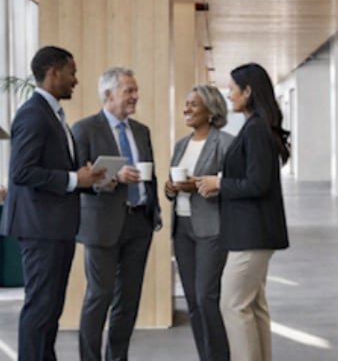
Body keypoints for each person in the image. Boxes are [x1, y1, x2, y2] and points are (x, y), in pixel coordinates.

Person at [0, 46, 106, 361]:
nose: (76, 80)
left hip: (56, 227)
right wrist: (75, 179)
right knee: (40, 309)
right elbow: (22, 172)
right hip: (41, 228)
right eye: (71, 72)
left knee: (50, 311)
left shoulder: (52, 114)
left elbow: (57, 171)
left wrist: (89, 181)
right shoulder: (33, 114)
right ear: (54, 73)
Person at [195, 63, 290, 361]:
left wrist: (219, 183)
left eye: (233, 89)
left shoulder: (257, 129)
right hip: (255, 232)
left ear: (248, 92)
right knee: (253, 306)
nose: (229, 95)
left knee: (233, 305)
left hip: (252, 233)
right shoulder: (257, 126)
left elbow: (258, 183)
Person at [71, 67, 162, 361]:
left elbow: (151, 176)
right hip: (102, 225)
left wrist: (154, 211)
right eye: (129, 91)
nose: (135, 97)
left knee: (129, 301)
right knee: (99, 296)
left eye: (136, 91)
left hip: (139, 223)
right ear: (109, 94)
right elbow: (78, 179)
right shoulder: (84, 129)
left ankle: (117, 358)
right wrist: (112, 175)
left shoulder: (141, 131)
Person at [165, 85, 233, 361]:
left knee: (206, 297)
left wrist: (203, 186)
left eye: (194, 104)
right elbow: (171, 186)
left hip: (211, 227)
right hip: (181, 229)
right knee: (192, 300)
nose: (187, 109)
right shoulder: (181, 144)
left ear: (211, 109)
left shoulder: (226, 143)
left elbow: (233, 186)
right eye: (186, 103)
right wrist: (170, 188)